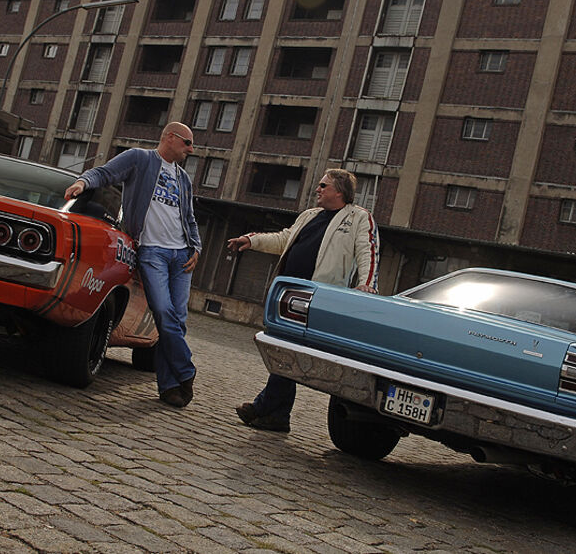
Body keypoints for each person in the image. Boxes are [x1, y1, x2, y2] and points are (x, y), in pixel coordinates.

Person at [227, 169, 379, 432]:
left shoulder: (358, 218)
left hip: (318, 298)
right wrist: (251, 240)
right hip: (289, 294)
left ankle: (267, 407)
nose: (317, 189)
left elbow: (368, 251)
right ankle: (276, 414)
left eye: (324, 185)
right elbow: (284, 238)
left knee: (290, 351)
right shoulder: (310, 215)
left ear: (340, 192)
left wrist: (367, 285)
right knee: (285, 350)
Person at [64, 122, 201, 408]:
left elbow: (189, 217)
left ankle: (170, 387)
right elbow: (104, 172)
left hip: (182, 255)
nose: (191, 149)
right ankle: (186, 369)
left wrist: (196, 247)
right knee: (163, 312)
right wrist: (82, 182)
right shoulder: (140, 159)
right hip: (152, 252)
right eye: (187, 142)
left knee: (178, 319)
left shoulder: (184, 179)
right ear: (170, 137)